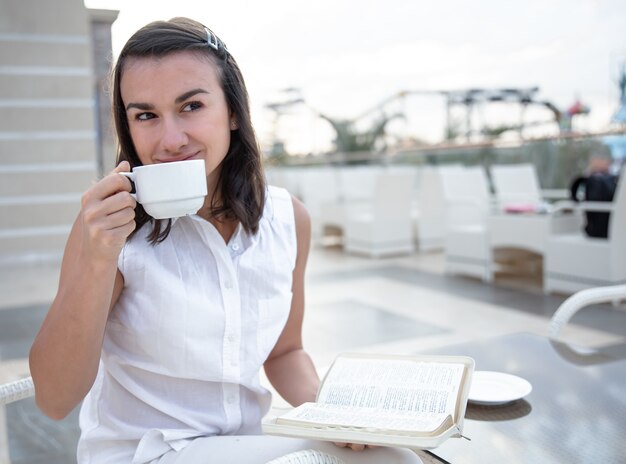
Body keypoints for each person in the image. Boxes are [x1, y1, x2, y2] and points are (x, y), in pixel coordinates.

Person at [29, 18, 420, 464]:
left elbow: (286, 352)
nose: (171, 140)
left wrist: (332, 414)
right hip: (146, 453)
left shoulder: (288, 219)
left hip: (245, 447)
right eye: (145, 116)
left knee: (394, 457)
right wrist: (97, 257)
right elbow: (54, 399)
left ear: (233, 111)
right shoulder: (109, 231)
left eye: (191, 106)